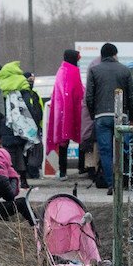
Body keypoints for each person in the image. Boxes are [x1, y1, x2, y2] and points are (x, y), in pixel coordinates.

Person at [84, 43, 133, 193]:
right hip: (121, 116)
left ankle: (111, 184)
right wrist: (132, 117)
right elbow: (132, 96)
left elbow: (89, 97)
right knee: (122, 149)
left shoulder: (94, 70)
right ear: (114, 54)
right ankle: (123, 181)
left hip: (102, 116)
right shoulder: (125, 70)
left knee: (105, 151)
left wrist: (94, 114)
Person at [0, 62, 40, 187]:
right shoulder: (22, 83)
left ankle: (10, 180)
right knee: (22, 152)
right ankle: (23, 180)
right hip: (21, 125)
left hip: (5, 125)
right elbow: (28, 106)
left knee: (9, 153)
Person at [46, 50, 84, 178]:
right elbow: (77, 92)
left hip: (63, 111)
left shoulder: (62, 71)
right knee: (79, 137)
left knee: (64, 141)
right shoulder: (71, 71)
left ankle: (63, 171)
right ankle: (80, 167)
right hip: (69, 110)